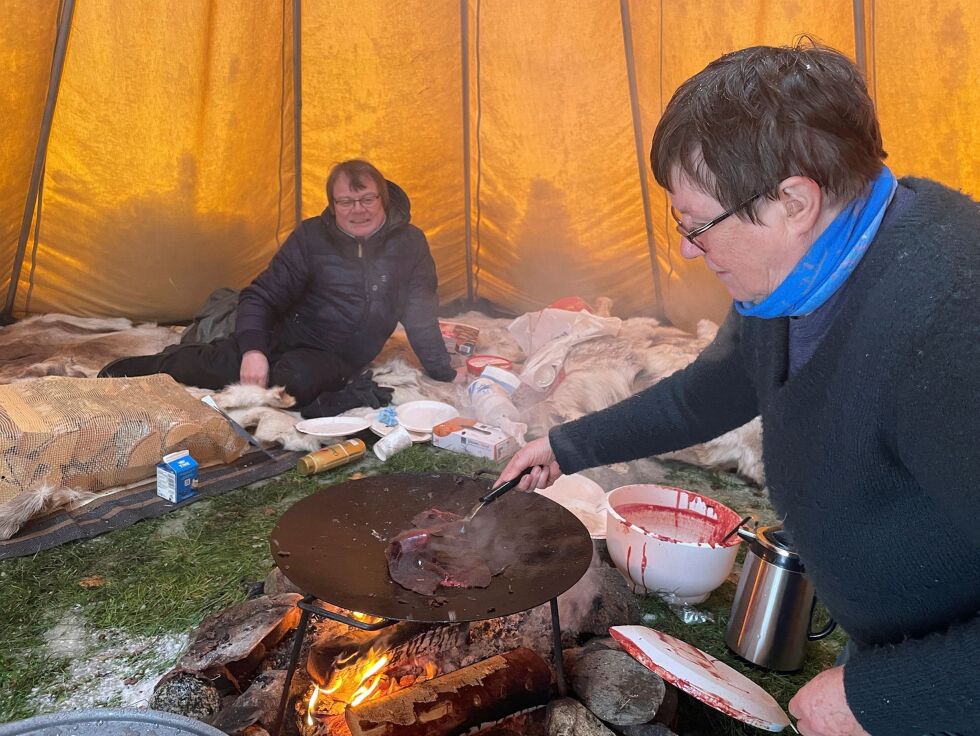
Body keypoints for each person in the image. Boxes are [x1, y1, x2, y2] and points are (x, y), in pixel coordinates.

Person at [498, 41, 978, 736]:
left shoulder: (953, 324)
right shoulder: (799, 277)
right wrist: (564, 444)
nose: (688, 251)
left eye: (695, 225)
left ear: (793, 200)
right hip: (901, 641)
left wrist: (891, 696)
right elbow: (712, 392)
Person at [100, 159, 456, 416]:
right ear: (333, 206)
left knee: (292, 385)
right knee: (223, 363)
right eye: (345, 201)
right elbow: (260, 296)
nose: (357, 210)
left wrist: (442, 371)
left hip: (334, 356)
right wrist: (254, 350)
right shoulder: (311, 236)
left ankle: (257, 362)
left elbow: (420, 312)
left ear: (384, 200)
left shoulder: (410, 244)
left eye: (367, 199)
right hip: (288, 330)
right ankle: (158, 364)